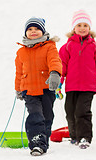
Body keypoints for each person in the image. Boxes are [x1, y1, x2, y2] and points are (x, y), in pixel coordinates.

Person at [56, 10, 96, 149]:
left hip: (88, 87)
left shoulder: (95, 47)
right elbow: (61, 68)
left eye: (85, 25)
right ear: (73, 28)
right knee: (70, 111)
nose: (82, 28)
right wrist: (58, 85)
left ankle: (85, 137)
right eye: (79, 25)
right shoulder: (67, 47)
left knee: (82, 112)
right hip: (72, 86)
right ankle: (74, 136)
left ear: (89, 28)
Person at [15, 17, 62, 156]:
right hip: (29, 90)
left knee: (47, 117)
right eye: (30, 29)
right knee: (35, 116)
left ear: (43, 31)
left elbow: (55, 61)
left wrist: (54, 73)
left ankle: (43, 141)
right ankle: (36, 143)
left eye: (36, 29)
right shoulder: (21, 52)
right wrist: (18, 88)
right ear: (25, 32)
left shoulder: (49, 46)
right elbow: (19, 72)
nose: (33, 32)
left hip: (46, 89)